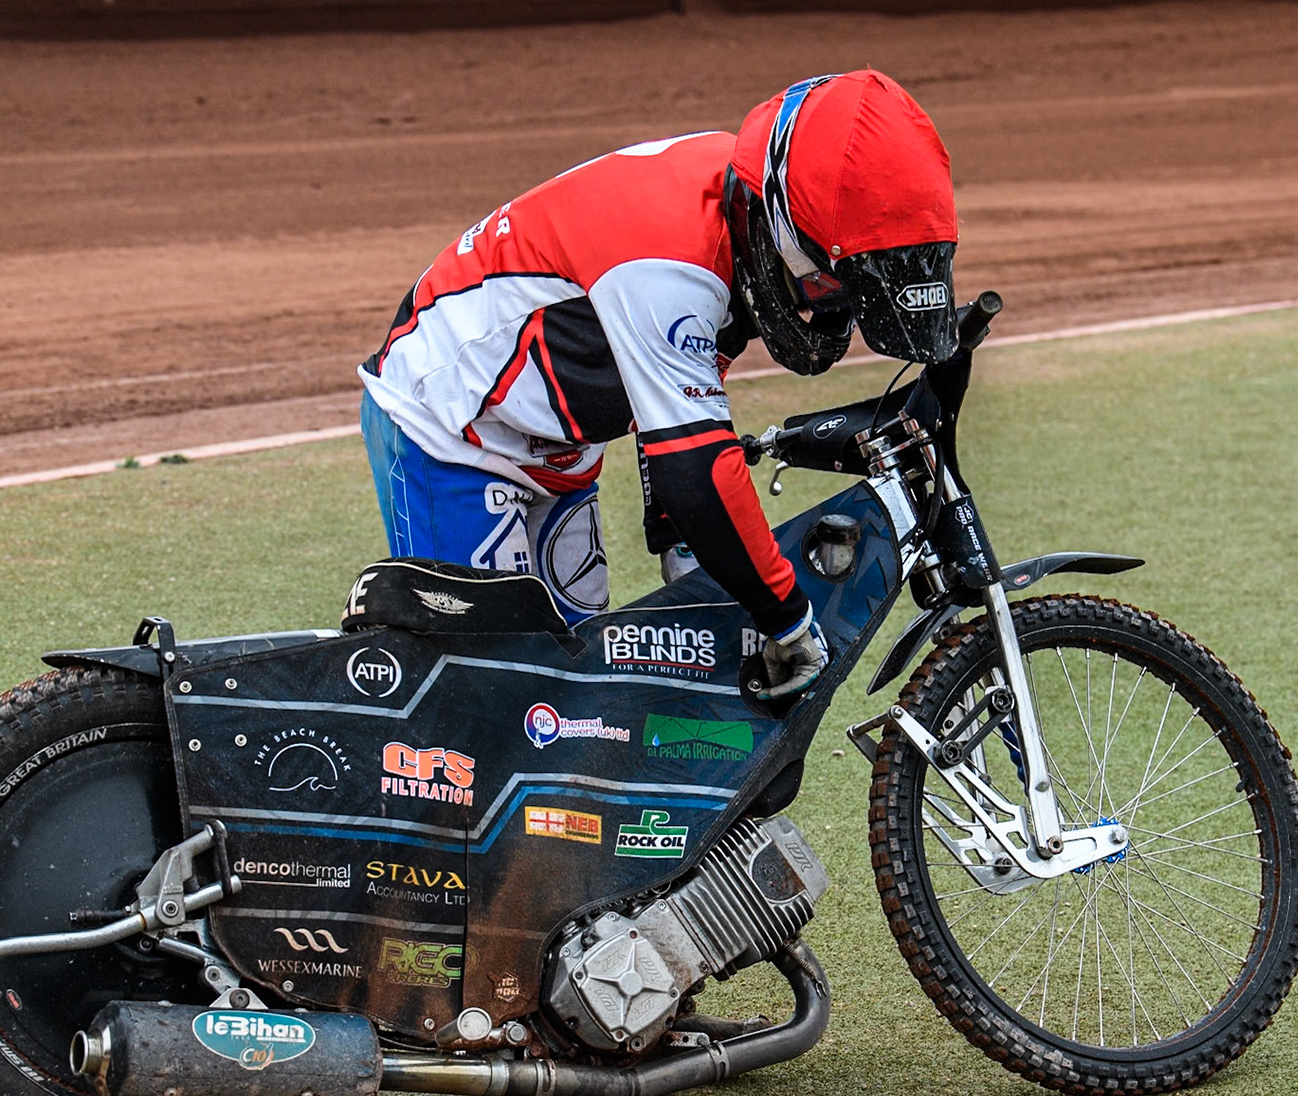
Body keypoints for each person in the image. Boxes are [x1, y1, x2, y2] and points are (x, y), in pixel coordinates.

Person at [358, 70, 960, 699]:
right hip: (446, 424)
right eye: (838, 282)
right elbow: (696, 471)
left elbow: (676, 396)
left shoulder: (748, 197)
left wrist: (685, 550)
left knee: (573, 674)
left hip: (552, 444)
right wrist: (786, 619)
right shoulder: (665, 265)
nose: (838, 304)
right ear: (790, 232)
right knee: (482, 692)